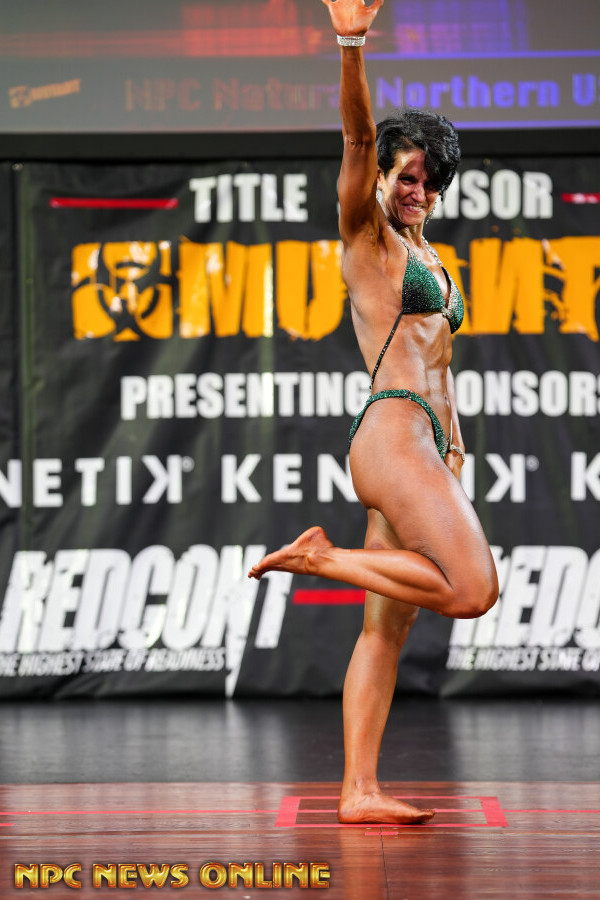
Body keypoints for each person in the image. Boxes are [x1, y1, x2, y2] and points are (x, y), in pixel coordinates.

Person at [249, 0, 499, 825]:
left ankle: (357, 790)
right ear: (384, 177)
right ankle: (319, 558)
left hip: (427, 445)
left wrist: (455, 452)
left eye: (428, 177)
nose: (415, 187)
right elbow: (357, 139)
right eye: (405, 174)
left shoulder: (431, 254)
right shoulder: (369, 237)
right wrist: (351, 44)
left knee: (385, 631)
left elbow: (443, 368)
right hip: (393, 432)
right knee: (473, 590)